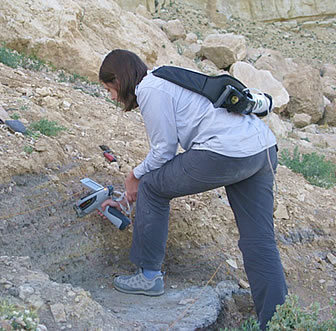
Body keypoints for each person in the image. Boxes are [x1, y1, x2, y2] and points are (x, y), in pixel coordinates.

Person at [99, 49, 288, 330]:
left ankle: (148, 277)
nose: (112, 97)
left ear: (120, 77)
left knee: (152, 185)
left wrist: (134, 177)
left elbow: (164, 150)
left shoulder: (149, 88)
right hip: (262, 148)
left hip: (225, 151)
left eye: (109, 88)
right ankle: (277, 322)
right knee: (259, 241)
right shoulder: (164, 76)